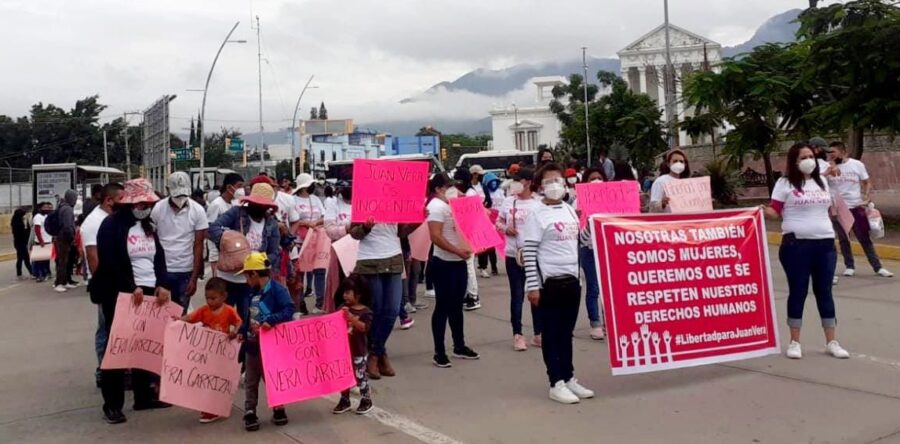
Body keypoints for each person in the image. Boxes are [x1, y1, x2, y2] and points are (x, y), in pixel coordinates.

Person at [91, 178, 172, 424]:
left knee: (144, 346)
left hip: (148, 293)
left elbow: (159, 258)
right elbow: (110, 262)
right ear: (130, 203)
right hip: (121, 295)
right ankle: (112, 405)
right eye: (143, 202)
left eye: (149, 202)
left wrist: (162, 283)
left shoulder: (148, 227)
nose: (147, 206)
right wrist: (130, 287)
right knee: (118, 350)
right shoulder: (111, 226)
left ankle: (143, 396)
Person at [762, 143, 850, 360]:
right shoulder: (785, 183)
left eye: (811, 156)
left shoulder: (822, 181)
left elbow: (830, 208)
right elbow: (775, 210)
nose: (809, 160)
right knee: (798, 291)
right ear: (795, 161)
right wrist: (761, 211)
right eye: (803, 157)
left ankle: (832, 341)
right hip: (795, 246)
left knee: (825, 292)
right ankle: (794, 341)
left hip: (825, 245)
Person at [523, 163, 594, 404]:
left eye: (558, 180)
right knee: (552, 334)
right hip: (549, 282)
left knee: (567, 333)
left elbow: (579, 241)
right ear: (540, 186)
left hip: (572, 280)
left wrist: (591, 227)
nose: (554, 185)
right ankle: (555, 382)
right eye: (549, 181)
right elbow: (529, 252)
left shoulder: (569, 209)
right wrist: (533, 286)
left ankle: (569, 376)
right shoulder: (535, 213)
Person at [348, 213, 420, 380]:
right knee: (376, 309)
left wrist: (418, 220)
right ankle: (380, 354)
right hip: (369, 261)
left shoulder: (394, 201)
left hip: (393, 259)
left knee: (393, 309)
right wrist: (366, 227)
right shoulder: (364, 200)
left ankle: (375, 353)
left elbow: (402, 232)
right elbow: (354, 233)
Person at [208, 182, 284, 335]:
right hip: (228, 278)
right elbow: (213, 228)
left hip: (251, 281)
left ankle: (243, 355)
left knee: (246, 321)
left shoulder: (271, 223)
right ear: (250, 202)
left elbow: (274, 252)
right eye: (257, 204)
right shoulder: (236, 213)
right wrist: (228, 241)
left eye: (264, 205)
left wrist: (260, 262)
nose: (260, 208)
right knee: (222, 321)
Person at [426, 173, 480, 368]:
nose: (454, 190)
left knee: (457, 306)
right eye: (449, 186)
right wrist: (457, 251)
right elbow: (435, 236)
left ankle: (459, 345)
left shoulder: (452, 205)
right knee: (443, 307)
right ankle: (439, 351)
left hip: (459, 262)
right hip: (444, 263)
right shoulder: (435, 207)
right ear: (439, 189)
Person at [239, 252, 294, 432]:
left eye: (247, 275)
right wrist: (242, 331)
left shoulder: (278, 290)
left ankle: (279, 408)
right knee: (251, 379)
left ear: (254, 274)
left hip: (271, 345)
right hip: (252, 344)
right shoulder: (250, 293)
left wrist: (271, 320)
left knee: (273, 377)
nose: (246, 280)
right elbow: (247, 316)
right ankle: (250, 410)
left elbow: (289, 309)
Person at [826, 142, 893, 278]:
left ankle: (877, 267)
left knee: (864, 237)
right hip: (838, 208)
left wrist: (867, 196)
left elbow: (867, 181)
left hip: (856, 206)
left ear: (844, 152)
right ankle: (849, 266)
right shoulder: (827, 167)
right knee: (844, 238)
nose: (831, 155)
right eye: (829, 152)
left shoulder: (856, 165)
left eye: (834, 152)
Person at [182, 277, 242, 423]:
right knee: (207, 381)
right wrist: (178, 319)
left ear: (224, 296)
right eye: (207, 298)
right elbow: (190, 318)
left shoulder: (228, 311)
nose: (210, 302)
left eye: (213, 298)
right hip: (207, 355)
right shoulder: (204, 311)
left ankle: (218, 406)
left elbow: (238, 322)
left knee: (220, 381)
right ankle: (210, 409)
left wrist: (235, 331)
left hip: (222, 354)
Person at [82, 183, 124, 387]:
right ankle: (102, 370)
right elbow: (93, 257)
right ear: (109, 200)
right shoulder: (94, 223)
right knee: (105, 328)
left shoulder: (111, 219)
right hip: (106, 285)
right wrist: (107, 286)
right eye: (121, 200)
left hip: (117, 283)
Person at [497, 167, 543, 351]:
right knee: (517, 295)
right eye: (514, 180)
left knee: (536, 294)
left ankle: (538, 333)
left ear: (529, 182)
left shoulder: (538, 202)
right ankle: (518, 334)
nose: (516, 183)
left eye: (520, 180)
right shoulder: (508, 202)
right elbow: (498, 221)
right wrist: (505, 229)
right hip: (513, 255)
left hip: (534, 255)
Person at [151, 172, 209, 311]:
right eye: (177, 195)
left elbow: (198, 245)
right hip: (162, 270)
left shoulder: (198, 210)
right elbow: (152, 240)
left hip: (185, 270)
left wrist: (194, 278)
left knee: (181, 313)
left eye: (183, 195)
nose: (180, 199)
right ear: (167, 190)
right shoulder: (158, 208)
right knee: (158, 312)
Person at [332, 274, 375, 415]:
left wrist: (351, 319)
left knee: (360, 375)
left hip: (359, 350)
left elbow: (364, 328)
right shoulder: (342, 308)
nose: (345, 295)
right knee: (343, 375)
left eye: (348, 293)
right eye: (344, 292)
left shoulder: (365, 312)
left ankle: (366, 399)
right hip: (343, 350)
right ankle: (345, 399)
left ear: (359, 294)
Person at [576, 167, 608, 340]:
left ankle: (609, 322)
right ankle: (595, 322)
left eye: (600, 177)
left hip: (608, 250)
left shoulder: (611, 200)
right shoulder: (578, 202)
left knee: (609, 289)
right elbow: (580, 237)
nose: (596, 181)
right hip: (589, 250)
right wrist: (588, 224)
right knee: (594, 288)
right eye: (592, 178)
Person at [293, 173, 326, 312]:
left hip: (316, 240)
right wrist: (305, 223)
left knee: (319, 270)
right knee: (299, 272)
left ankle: (320, 303)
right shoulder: (292, 200)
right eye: (310, 185)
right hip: (300, 242)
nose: (313, 187)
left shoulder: (316, 199)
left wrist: (315, 223)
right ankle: (300, 303)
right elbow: (292, 219)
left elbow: (324, 216)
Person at [206, 173, 244, 277]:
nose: (241, 190)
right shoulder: (216, 204)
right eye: (239, 186)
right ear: (228, 187)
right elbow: (208, 230)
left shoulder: (235, 203)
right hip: (217, 252)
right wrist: (221, 242)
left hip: (232, 251)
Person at [453, 169, 481, 310]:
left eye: (459, 181)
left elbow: (471, 216)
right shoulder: (465, 193)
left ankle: (473, 296)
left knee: (469, 266)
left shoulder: (470, 194)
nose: (457, 184)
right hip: (464, 234)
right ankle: (467, 294)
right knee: (465, 266)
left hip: (469, 235)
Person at [53, 190, 78, 292]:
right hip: (64, 238)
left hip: (61, 237)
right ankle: (59, 283)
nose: (76, 200)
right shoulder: (67, 209)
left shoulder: (62, 207)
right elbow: (68, 226)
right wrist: (72, 237)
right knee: (63, 261)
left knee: (64, 260)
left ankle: (64, 281)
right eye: (75, 198)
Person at [31, 202, 52, 282]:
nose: (47, 209)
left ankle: (46, 274)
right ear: (40, 208)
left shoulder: (46, 216)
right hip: (41, 242)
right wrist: (41, 241)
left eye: (47, 207)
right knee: (40, 260)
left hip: (48, 241)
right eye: (44, 207)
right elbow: (37, 229)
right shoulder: (37, 217)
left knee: (46, 260)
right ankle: (39, 275)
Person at [11, 207, 32, 279]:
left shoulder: (20, 222)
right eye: (24, 215)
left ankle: (21, 273)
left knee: (21, 258)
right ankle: (30, 272)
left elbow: (28, 231)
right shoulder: (17, 223)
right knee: (24, 258)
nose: (25, 216)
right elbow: (23, 233)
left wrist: (27, 224)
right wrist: (26, 225)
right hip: (20, 243)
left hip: (21, 243)